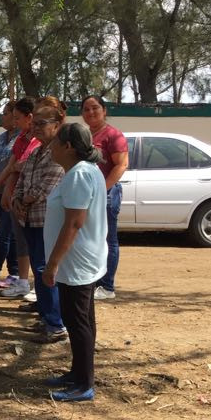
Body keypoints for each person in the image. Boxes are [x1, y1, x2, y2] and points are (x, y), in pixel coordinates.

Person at [42, 123, 109, 402]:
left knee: (77, 321)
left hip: (76, 261)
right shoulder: (84, 172)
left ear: (68, 146)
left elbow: (74, 223)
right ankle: (78, 373)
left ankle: (83, 384)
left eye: (55, 142)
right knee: (82, 319)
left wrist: (53, 263)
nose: (50, 146)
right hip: (82, 259)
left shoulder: (80, 174)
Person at [11, 98, 67, 343]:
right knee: (38, 268)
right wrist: (17, 199)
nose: (35, 127)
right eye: (34, 122)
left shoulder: (59, 152)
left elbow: (48, 185)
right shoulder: (35, 152)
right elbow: (23, 179)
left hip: (46, 220)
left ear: (56, 125)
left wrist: (24, 201)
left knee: (47, 271)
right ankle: (45, 317)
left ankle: (56, 324)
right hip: (30, 220)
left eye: (41, 123)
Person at [81, 95, 128, 301]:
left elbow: (121, 165)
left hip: (106, 194)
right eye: (86, 109)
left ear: (104, 110)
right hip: (85, 193)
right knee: (90, 239)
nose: (91, 112)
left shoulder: (113, 135)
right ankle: (93, 280)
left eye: (95, 108)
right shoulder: (83, 135)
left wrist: (103, 188)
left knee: (108, 239)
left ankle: (107, 286)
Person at [0, 97, 40, 299]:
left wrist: (16, 168)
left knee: (37, 243)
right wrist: (0, 188)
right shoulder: (22, 137)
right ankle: (23, 282)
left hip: (36, 199)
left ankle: (40, 287)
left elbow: (24, 164)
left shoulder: (40, 138)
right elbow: (13, 165)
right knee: (21, 240)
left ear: (29, 117)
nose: (15, 122)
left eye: (17, 118)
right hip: (18, 195)